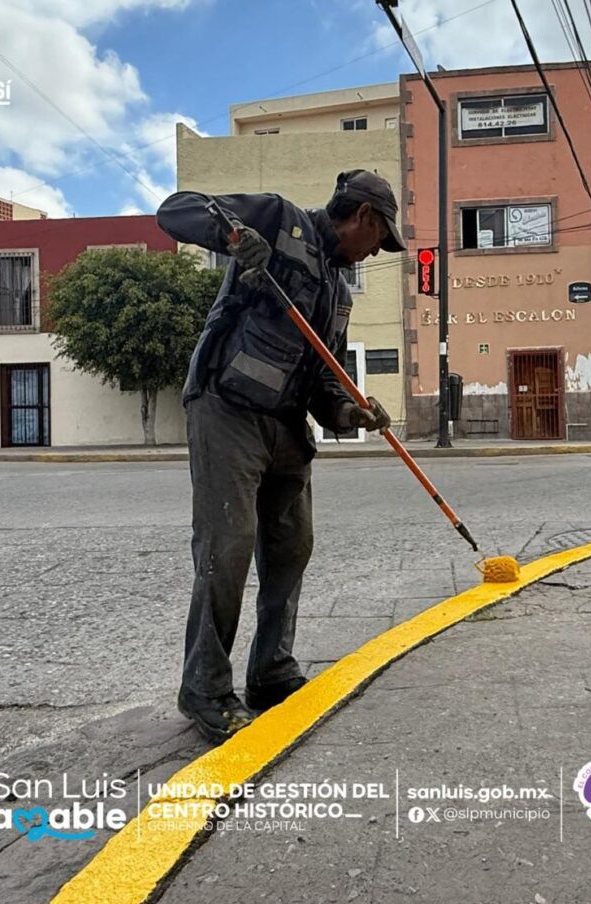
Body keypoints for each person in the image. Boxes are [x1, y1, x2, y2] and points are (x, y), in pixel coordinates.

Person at [156, 170, 406, 743]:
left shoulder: (338, 294)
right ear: (363, 218)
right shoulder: (277, 217)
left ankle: (271, 672)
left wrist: (349, 412)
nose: (376, 251)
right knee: (229, 545)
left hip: (285, 422)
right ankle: (205, 689)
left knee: (291, 545)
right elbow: (177, 209)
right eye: (380, 239)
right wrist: (232, 238)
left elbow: (324, 379)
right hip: (227, 407)